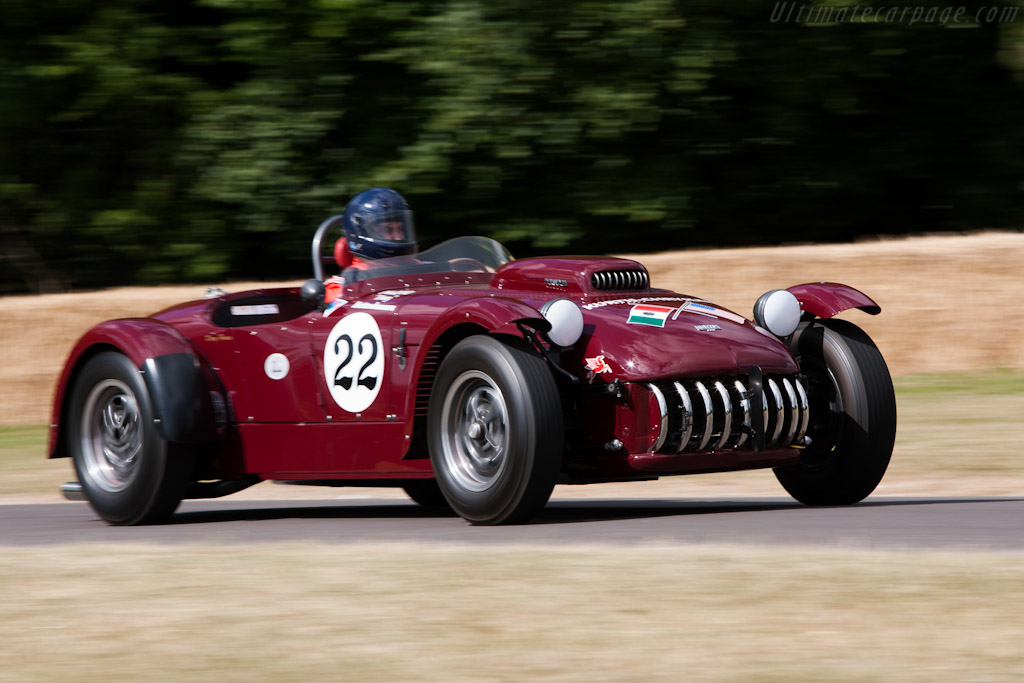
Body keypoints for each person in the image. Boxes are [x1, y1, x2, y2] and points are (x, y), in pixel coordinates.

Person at [325, 188, 417, 305]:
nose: (398, 237)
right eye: (388, 230)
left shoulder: (421, 268)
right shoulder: (341, 287)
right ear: (361, 232)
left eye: (401, 229)